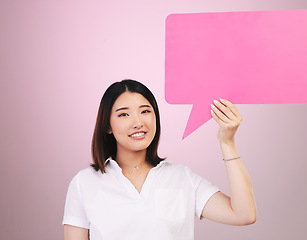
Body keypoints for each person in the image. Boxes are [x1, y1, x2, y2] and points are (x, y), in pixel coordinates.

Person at [63, 79, 256, 240]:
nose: (138, 122)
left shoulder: (182, 177)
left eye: (145, 111)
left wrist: (227, 141)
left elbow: (244, 214)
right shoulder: (84, 183)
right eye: (123, 114)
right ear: (108, 126)